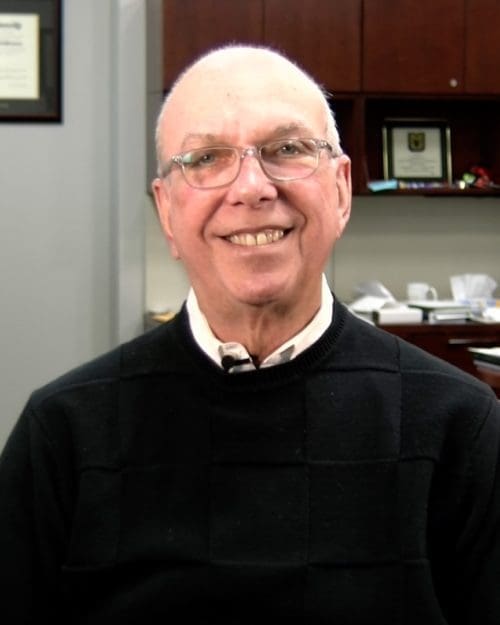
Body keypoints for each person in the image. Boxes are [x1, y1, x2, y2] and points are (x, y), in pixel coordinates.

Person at [1, 45, 499, 625]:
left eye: (286, 149)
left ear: (340, 190)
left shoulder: (461, 427)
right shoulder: (63, 432)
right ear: (166, 213)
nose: (252, 188)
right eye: (207, 158)